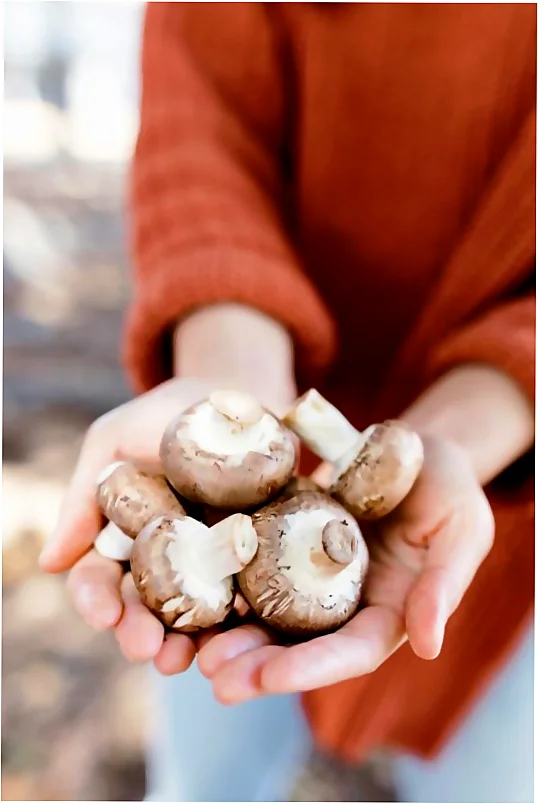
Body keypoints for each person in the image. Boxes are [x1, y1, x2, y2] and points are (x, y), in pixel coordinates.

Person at [40, 3, 536, 802]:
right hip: (243, 420)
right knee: (208, 777)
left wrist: (467, 428)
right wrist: (233, 385)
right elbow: (199, 141)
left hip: (505, 501)